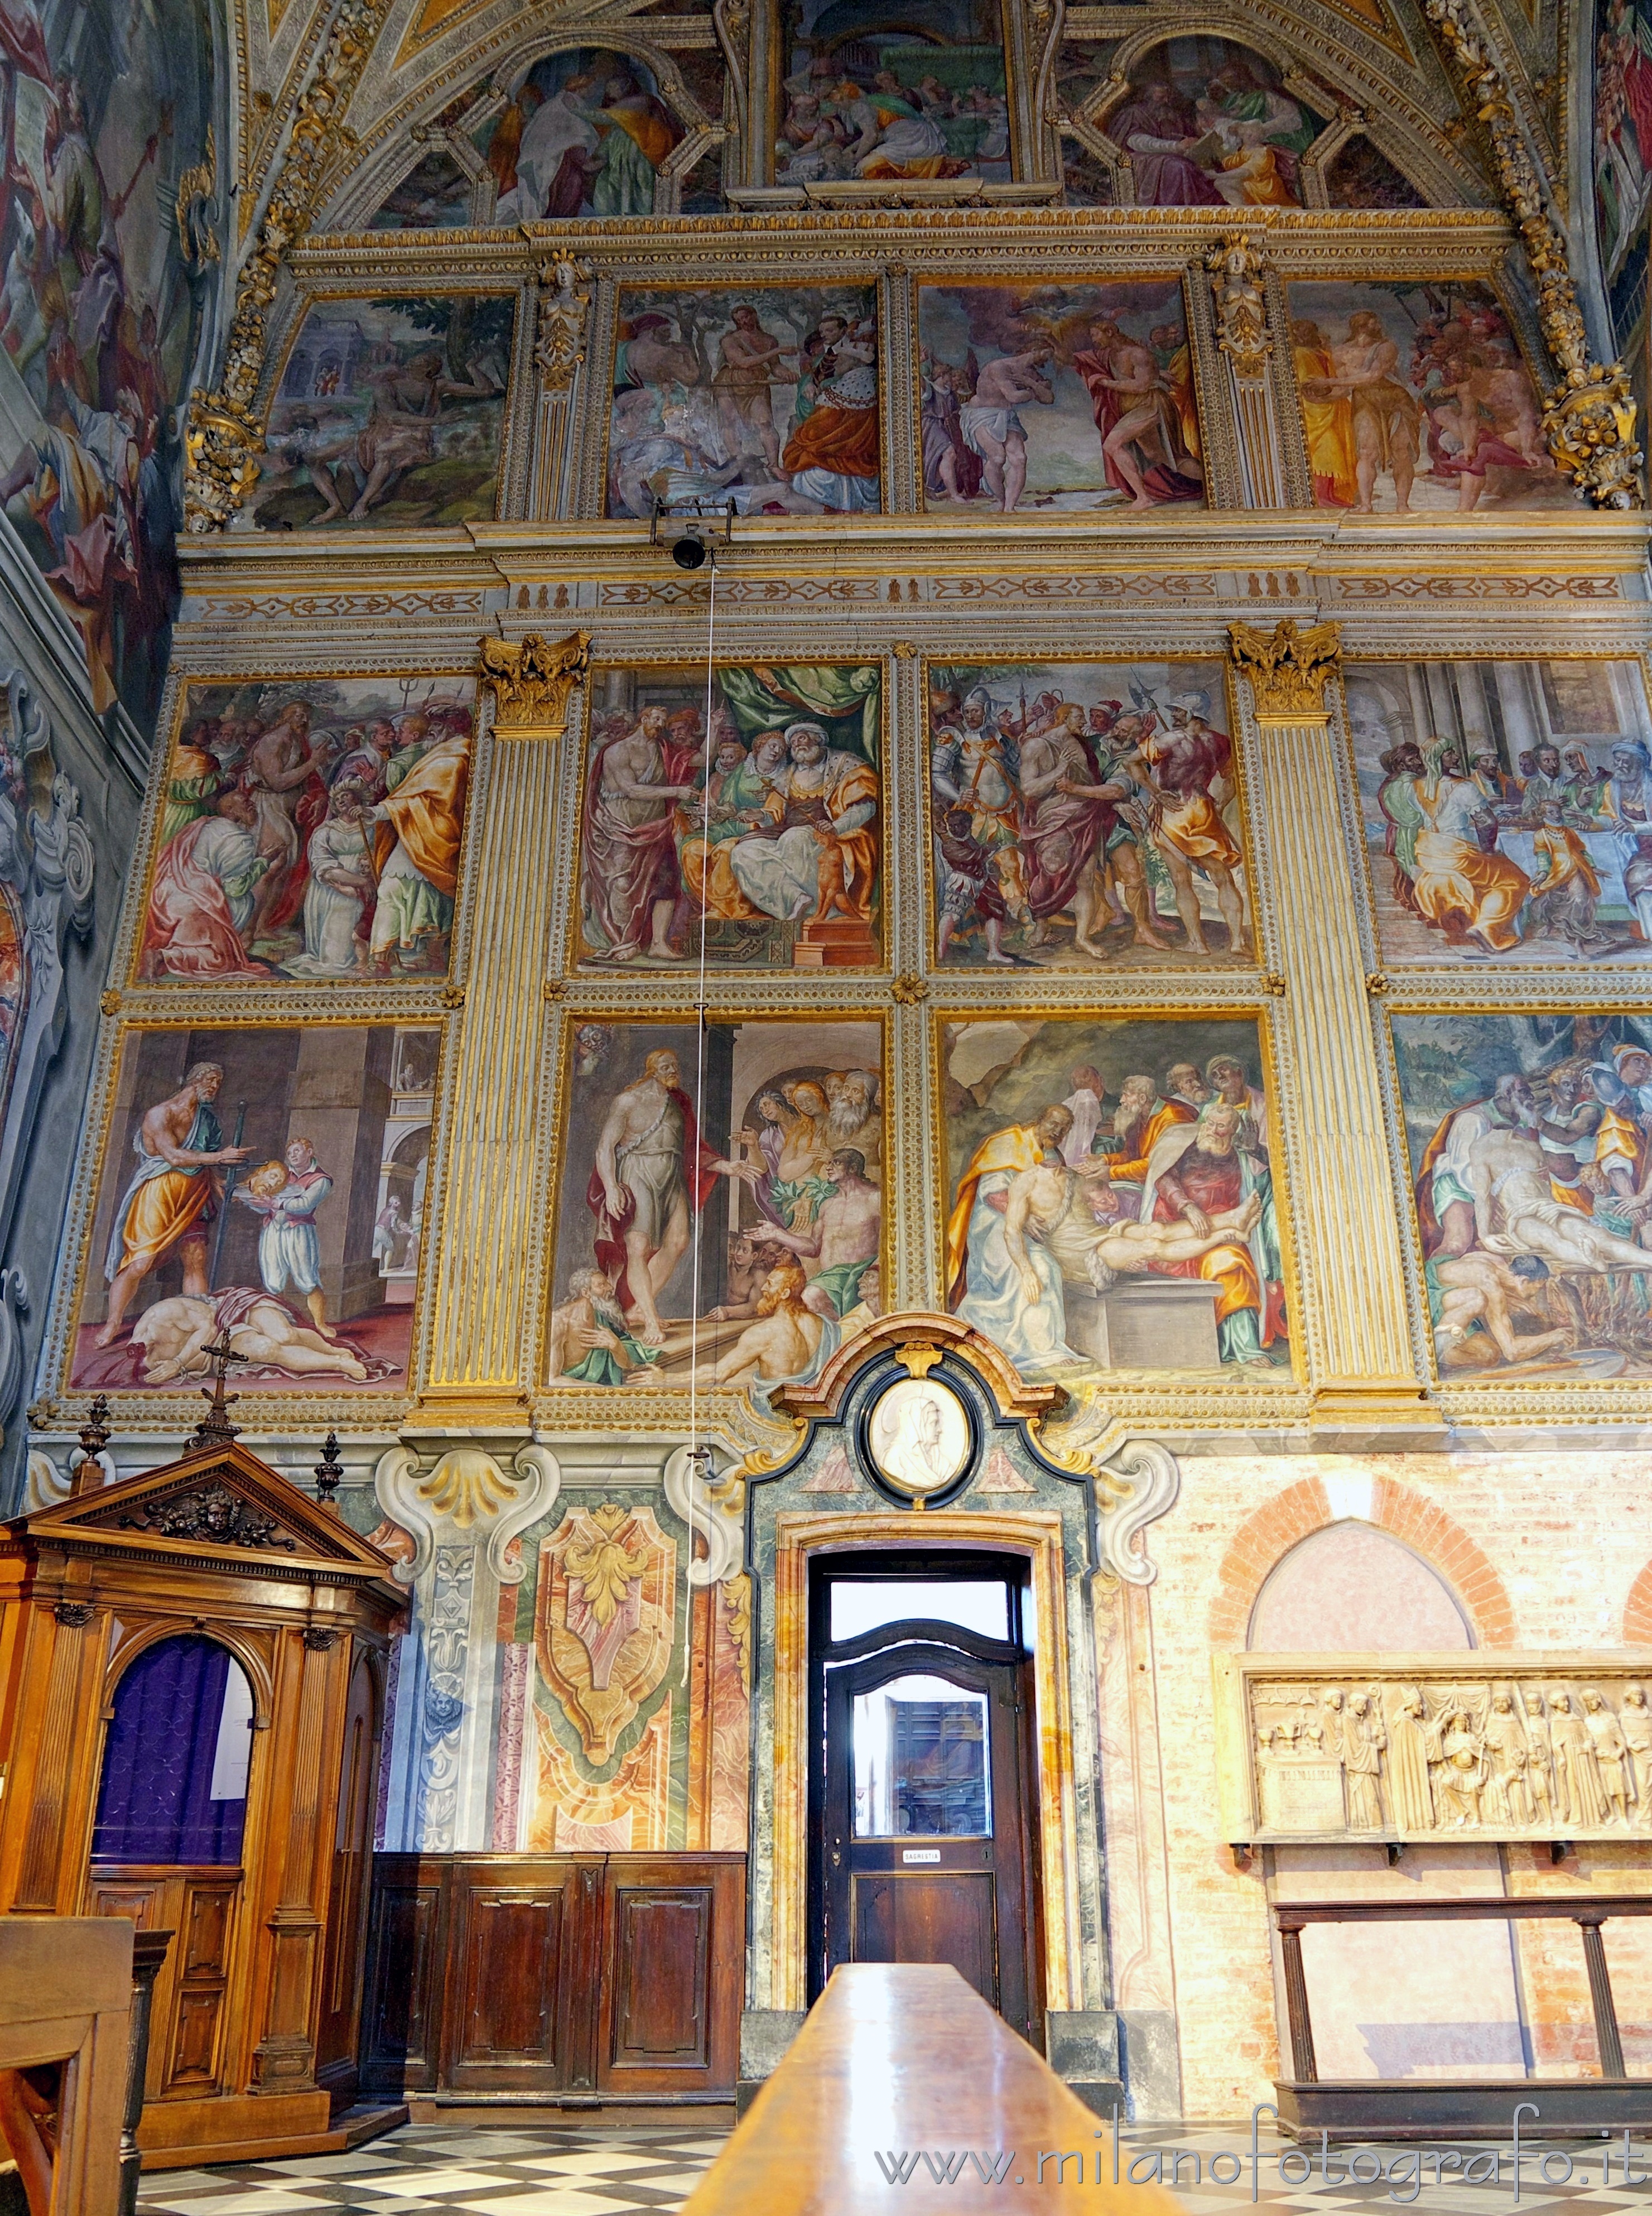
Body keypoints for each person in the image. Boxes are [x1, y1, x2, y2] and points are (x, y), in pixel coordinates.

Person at [588, 1047, 746, 1346]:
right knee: (639, 1247)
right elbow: (605, 1148)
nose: (674, 1070)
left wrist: (725, 1166)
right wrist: (611, 1187)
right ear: (651, 1070)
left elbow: (690, 1150)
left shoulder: (679, 1102)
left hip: (671, 1177)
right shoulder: (628, 1101)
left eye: (675, 1065)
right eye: (666, 1066)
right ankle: (649, 1318)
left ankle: (636, 1310)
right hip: (638, 1173)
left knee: (678, 1242)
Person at [97, 1064, 255, 1347]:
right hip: (159, 1195)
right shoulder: (160, 1114)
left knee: (195, 1261)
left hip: (195, 1196)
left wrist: (223, 1185)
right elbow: (175, 1157)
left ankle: (196, 1325)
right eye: (212, 1080)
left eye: (219, 1082)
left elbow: (206, 1163)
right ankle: (113, 1323)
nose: (215, 1087)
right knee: (140, 1263)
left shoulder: (209, 1121)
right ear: (195, 1081)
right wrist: (220, 1157)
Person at [1140, 1099, 1285, 1364]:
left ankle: (1244, 1346)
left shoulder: (1241, 1155)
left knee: (1230, 1261)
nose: (1212, 1130)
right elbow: (1163, 1176)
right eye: (1210, 1123)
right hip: (1178, 1225)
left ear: (1232, 1132)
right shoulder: (1183, 1141)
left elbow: (1277, 1175)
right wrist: (1188, 1207)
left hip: (1220, 1233)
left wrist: (1257, 1151)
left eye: (1221, 1127)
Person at [729, 722, 878, 926]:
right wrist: (761, 815)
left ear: (818, 739)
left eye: (802, 738)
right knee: (743, 852)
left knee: (795, 838)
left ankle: (824, 909)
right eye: (793, 743)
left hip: (835, 838)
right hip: (787, 836)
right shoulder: (788, 774)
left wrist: (836, 826)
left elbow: (865, 807)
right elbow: (775, 813)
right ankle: (797, 899)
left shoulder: (846, 765)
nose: (797, 745)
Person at [583, 702, 697, 960]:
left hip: (657, 828)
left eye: (662, 721)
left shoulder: (662, 749)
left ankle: (658, 943)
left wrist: (712, 727)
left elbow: (698, 759)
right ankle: (625, 943)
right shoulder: (617, 751)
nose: (659, 725)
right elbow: (631, 790)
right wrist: (675, 791)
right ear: (643, 719)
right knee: (623, 886)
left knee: (667, 883)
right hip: (621, 829)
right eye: (655, 719)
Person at [1409, 736, 1531, 951]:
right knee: (1517, 879)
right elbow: (1487, 822)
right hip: (1459, 856)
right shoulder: (1463, 787)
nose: (1456, 757)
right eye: (1450, 754)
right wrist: (1488, 850)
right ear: (1437, 759)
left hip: (1431, 855)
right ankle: (1488, 928)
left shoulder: (1415, 788)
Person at [141, 789, 272, 980]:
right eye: (245, 802)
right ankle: (164, 956)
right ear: (230, 810)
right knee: (222, 960)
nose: (252, 805)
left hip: (166, 894)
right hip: (196, 904)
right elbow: (236, 888)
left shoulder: (204, 825)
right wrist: (264, 862)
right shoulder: (238, 839)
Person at [131, 1287, 370, 1385]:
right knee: (268, 1349)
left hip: (230, 1309)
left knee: (284, 1335)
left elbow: (210, 1327)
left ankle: (332, 1350)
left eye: (147, 1343)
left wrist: (179, 1362)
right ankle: (340, 1364)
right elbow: (203, 1359)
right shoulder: (149, 1362)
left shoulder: (164, 1313)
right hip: (221, 1339)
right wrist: (181, 1366)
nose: (148, 1347)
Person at [232, 1140, 336, 1337]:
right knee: (273, 1280)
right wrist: (253, 1201)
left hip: (299, 1231)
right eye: (290, 1153)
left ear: (310, 1152)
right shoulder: (280, 1174)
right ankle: (278, 1325)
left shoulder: (320, 1179)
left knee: (308, 1279)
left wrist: (275, 1203)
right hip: (273, 1229)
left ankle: (320, 1324)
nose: (293, 1156)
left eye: (297, 1151)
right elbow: (265, 1202)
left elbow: (304, 1205)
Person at [762, 1148, 882, 1320]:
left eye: (836, 1162)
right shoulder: (827, 1205)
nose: (829, 1167)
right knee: (808, 1300)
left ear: (853, 1168)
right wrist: (778, 1234)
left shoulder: (876, 1198)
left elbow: (892, 1241)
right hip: (831, 1279)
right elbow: (813, 1248)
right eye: (830, 1163)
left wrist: (876, 1271)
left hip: (862, 1276)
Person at [285, 781, 374, 976]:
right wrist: (361, 882)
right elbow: (324, 868)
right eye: (337, 799)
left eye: (346, 795)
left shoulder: (372, 827)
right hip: (334, 890)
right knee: (337, 953)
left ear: (358, 798)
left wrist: (370, 879)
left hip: (369, 886)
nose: (341, 800)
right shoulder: (326, 830)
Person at [959, 345, 1053, 512]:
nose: (1046, 359)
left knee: (1019, 458)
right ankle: (1002, 500)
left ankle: (1010, 508)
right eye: (1044, 353)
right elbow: (1014, 396)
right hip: (982, 415)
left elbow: (1049, 398)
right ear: (1030, 350)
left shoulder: (1030, 374)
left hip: (1006, 416)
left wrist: (1031, 383)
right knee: (997, 458)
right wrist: (1034, 391)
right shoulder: (999, 367)